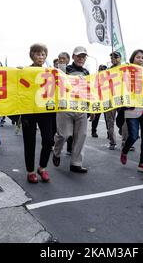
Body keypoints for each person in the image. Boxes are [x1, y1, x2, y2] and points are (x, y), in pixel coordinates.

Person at [52, 46, 90, 173]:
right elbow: (57, 82)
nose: (81, 59)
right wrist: (60, 67)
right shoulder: (64, 69)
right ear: (73, 57)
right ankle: (56, 153)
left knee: (81, 135)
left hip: (81, 107)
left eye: (83, 57)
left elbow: (89, 91)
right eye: (78, 56)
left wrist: (90, 108)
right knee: (63, 135)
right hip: (65, 107)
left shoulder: (86, 73)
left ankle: (76, 163)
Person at [21, 44, 55, 183]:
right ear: (32, 56)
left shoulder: (51, 72)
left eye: (43, 54)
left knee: (49, 140)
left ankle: (42, 167)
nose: (40, 57)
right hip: (29, 110)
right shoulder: (24, 71)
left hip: (46, 110)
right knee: (30, 141)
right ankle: (30, 171)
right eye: (37, 54)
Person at [119, 49, 143, 174]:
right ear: (133, 59)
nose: (141, 60)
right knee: (133, 136)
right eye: (138, 57)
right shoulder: (126, 72)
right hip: (132, 110)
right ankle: (124, 151)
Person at [90, 64, 108, 138]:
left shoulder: (108, 80)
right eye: (101, 69)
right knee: (96, 117)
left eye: (103, 69)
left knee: (108, 118)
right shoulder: (94, 78)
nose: (102, 71)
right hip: (97, 100)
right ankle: (93, 131)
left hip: (106, 100)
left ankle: (109, 132)